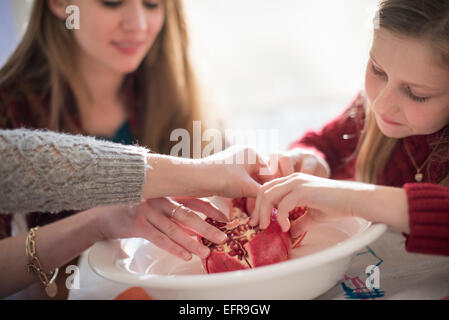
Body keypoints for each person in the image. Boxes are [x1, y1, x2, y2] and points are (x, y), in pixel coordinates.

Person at [250, 0, 449, 257]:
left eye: (416, 94)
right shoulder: (366, 111)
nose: (381, 105)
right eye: (378, 70)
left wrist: (353, 199)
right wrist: (311, 159)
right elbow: (325, 144)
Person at [0, 128, 270, 298]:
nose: (138, 31)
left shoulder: (183, 92)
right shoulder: (9, 103)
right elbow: (10, 164)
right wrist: (199, 172)